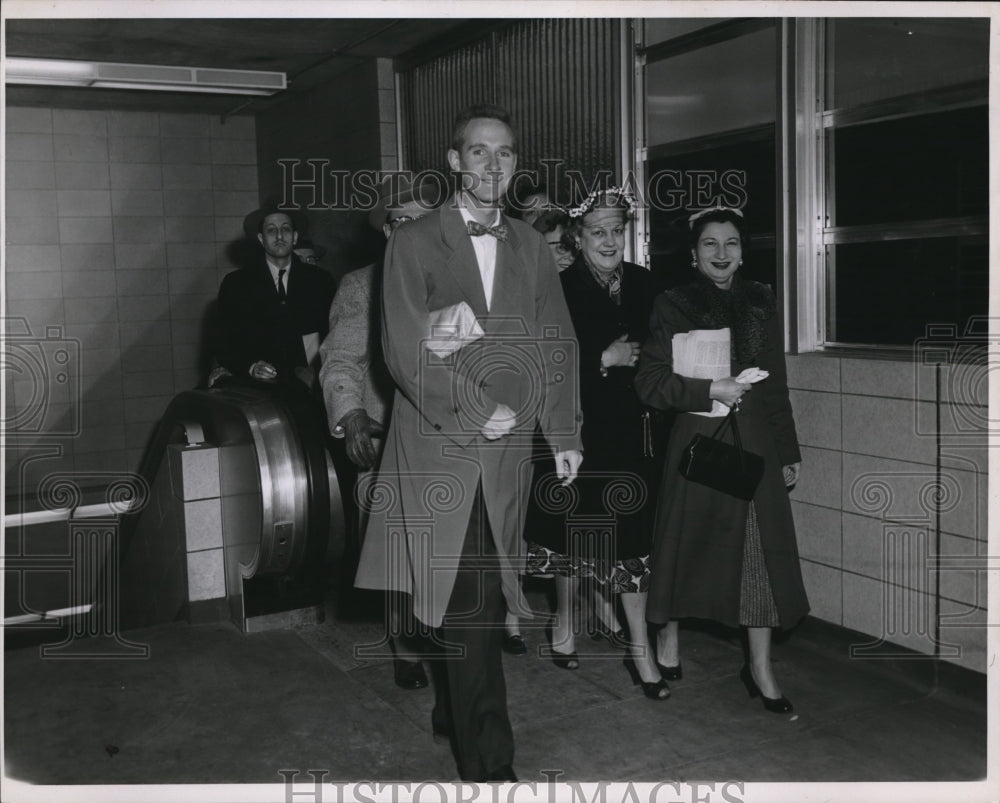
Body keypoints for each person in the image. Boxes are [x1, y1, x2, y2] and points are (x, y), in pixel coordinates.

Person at [353, 104, 583, 782]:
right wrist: (472, 407)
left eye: (505, 153)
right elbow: (400, 348)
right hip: (439, 450)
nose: (492, 165)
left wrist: (564, 430)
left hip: (507, 456)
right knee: (473, 604)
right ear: (455, 161)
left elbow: (557, 339)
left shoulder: (532, 245)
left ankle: (455, 710)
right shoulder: (415, 241)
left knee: (472, 601)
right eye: (478, 152)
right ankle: (488, 763)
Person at [633, 206, 806, 713]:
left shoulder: (760, 301)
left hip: (754, 446)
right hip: (699, 444)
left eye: (731, 243)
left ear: (742, 251)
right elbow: (649, 381)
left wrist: (788, 449)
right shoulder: (672, 305)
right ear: (693, 253)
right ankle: (669, 637)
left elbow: (774, 385)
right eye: (710, 244)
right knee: (687, 553)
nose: (721, 253)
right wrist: (711, 388)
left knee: (759, 557)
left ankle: (760, 667)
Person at [521, 186, 668, 699]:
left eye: (617, 230)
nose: (609, 240)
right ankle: (562, 623)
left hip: (633, 433)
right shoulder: (556, 288)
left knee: (632, 542)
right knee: (571, 539)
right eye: (598, 231)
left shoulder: (648, 285)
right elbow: (539, 367)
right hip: (575, 433)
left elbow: (667, 351)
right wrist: (601, 361)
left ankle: (639, 650)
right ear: (577, 237)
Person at [318, 174, 440, 691]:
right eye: (402, 222)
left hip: (448, 440)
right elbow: (339, 360)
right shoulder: (361, 287)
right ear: (388, 230)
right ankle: (407, 646)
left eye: (423, 222)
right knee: (398, 553)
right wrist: (351, 418)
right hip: (386, 439)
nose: (413, 232)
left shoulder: (457, 285)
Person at [216, 203, 336, 394]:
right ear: (261, 239)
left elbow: (335, 333)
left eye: (286, 229)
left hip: (312, 390)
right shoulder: (236, 284)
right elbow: (222, 341)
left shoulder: (321, 280)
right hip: (258, 391)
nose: (279, 236)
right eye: (271, 230)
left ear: (295, 237)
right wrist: (250, 366)